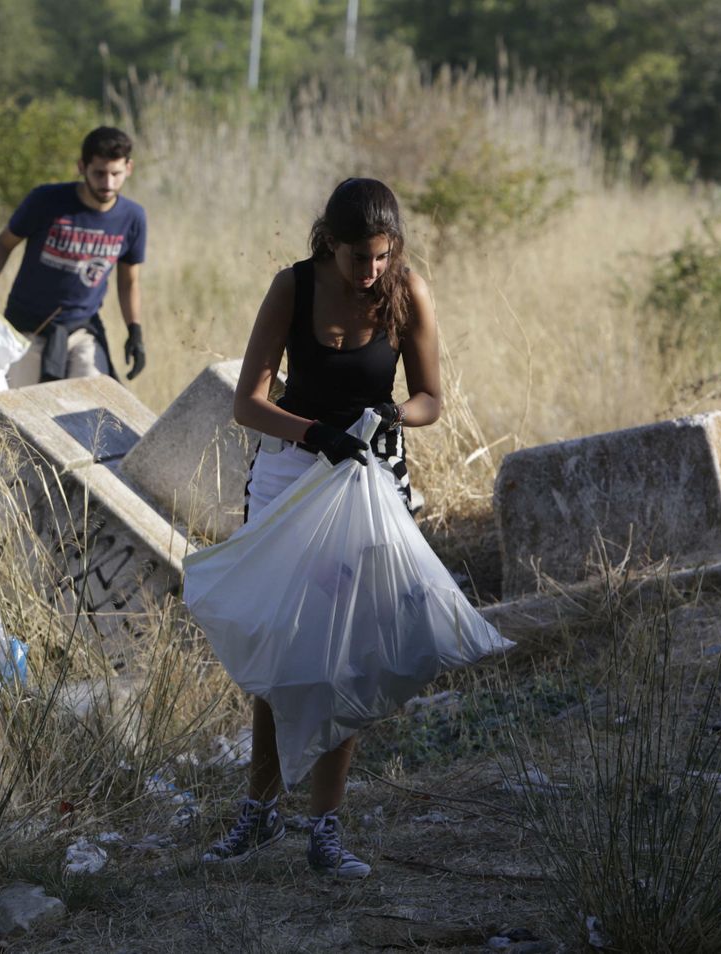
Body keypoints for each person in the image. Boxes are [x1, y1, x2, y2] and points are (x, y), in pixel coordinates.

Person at [201, 177, 442, 877]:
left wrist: (400, 415)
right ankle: (260, 809)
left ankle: (325, 828)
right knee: (281, 647)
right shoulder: (294, 287)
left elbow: (431, 397)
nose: (369, 272)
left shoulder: (407, 290)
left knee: (346, 653)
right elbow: (248, 402)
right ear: (328, 243)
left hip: (368, 479)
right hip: (288, 473)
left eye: (381, 256)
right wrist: (313, 434)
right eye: (356, 258)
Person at [0, 125, 148, 386]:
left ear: (129, 168)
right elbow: (3, 244)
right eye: (99, 173)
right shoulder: (47, 201)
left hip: (82, 330)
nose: (108, 183)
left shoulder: (132, 217)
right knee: (18, 410)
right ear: (81, 167)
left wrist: (134, 331)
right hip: (28, 327)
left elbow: (129, 281)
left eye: (116, 174)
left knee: (92, 404)